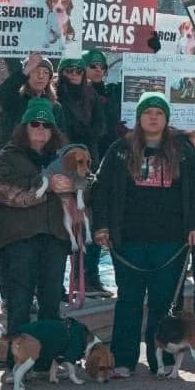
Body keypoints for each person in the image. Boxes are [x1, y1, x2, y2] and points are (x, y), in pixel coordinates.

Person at [92, 93, 195, 379]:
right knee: (128, 300)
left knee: (162, 302)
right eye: (148, 112)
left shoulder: (182, 149)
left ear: (166, 119)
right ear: (139, 118)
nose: (153, 117)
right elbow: (102, 191)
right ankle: (123, 360)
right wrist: (102, 226)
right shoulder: (120, 149)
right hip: (129, 239)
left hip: (170, 240)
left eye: (159, 113)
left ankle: (162, 360)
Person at [0, 98, 71, 336]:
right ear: (24, 127)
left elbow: (83, 189)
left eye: (47, 125)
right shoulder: (6, 156)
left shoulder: (64, 158)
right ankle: (16, 364)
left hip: (55, 236)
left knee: (51, 301)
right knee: (19, 303)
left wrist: (78, 185)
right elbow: (5, 192)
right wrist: (45, 186)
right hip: (18, 238)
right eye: (35, 123)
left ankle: (48, 362)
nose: (41, 129)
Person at [72, 51, 124, 297]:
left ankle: (92, 277)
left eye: (101, 66)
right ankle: (80, 279)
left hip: (112, 166)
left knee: (102, 225)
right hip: (84, 167)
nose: (97, 70)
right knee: (83, 226)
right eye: (91, 65)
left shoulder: (113, 93)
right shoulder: (74, 95)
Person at [0, 54, 56, 141]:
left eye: (45, 72)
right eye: (35, 71)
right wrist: (24, 72)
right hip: (13, 153)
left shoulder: (55, 106)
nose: (41, 76)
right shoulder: (13, 100)